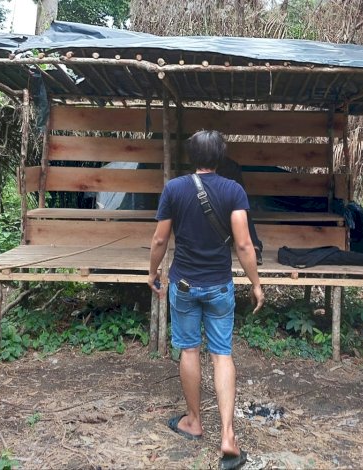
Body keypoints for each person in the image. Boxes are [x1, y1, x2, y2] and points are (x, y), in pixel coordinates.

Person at [148, 130, 264, 470]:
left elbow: (159, 239)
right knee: (222, 354)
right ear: (222, 156)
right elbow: (244, 245)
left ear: (191, 156)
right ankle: (228, 435)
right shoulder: (234, 190)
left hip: (183, 283)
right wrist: (256, 283)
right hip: (219, 285)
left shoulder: (174, 188)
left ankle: (194, 422)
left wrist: (152, 272)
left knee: (189, 350)